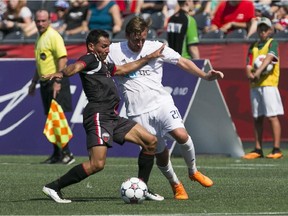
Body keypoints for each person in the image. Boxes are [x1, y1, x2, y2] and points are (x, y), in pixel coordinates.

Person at [41, 29, 165, 203]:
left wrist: (149, 57)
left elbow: (123, 68)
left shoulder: (104, 64)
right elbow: (76, 66)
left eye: (108, 46)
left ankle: (142, 187)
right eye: (104, 46)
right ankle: (54, 187)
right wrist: (61, 73)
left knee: (150, 142)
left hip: (112, 117)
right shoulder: (90, 59)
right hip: (98, 116)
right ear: (92, 46)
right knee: (97, 164)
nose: (107, 50)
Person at [107, 16, 224, 201]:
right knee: (160, 153)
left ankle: (193, 171)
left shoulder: (155, 46)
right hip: (138, 112)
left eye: (142, 39)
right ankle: (176, 185)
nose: (139, 43)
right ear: (127, 35)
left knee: (181, 135)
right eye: (135, 39)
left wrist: (205, 76)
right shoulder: (113, 50)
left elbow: (182, 61)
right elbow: (93, 61)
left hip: (161, 103)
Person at [28, 9, 75, 165]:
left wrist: (57, 80)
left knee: (58, 119)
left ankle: (67, 153)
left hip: (55, 83)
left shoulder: (53, 36)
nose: (40, 23)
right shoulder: (40, 37)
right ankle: (57, 154)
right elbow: (40, 64)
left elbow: (63, 59)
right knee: (51, 120)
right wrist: (34, 82)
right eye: (38, 21)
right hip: (45, 83)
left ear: (49, 20)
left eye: (43, 20)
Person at [243, 17, 284, 160]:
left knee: (272, 116)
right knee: (257, 118)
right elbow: (248, 63)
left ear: (270, 30)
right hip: (255, 85)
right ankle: (258, 149)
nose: (262, 31)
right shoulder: (253, 45)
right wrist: (250, 74)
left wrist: (257, 73)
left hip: (269, 84)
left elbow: (269, 58)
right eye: (260, 28)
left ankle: (276, 149)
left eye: (265, 29)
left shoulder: (273, 43)